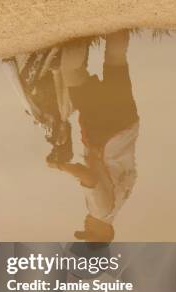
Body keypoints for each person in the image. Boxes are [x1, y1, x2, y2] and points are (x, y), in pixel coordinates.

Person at [55, 30, 139, 242]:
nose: (86, 226)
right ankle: (78, 34)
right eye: (90, 233)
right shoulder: (100, 212)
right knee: (72, 72)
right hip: (103, 131)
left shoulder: (122, 199)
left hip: (127, 124)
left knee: (115, 62)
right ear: (106, 232)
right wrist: (59, 166)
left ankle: (118, 19)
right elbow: (88, 177)